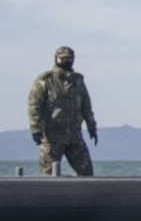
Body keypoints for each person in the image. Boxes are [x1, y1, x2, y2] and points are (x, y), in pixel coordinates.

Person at [27, 45, 97, 176]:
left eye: (69, 58)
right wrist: (35, 128)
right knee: (47, 175)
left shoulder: (78, 81)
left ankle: (84, 196)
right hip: (52, 137)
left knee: (87, 172)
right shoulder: (45, 80)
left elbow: (86, 106)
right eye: (63, 58)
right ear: (56, 59)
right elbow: (34, 106)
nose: (67, 61)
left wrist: (91, 126)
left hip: (75, 137)